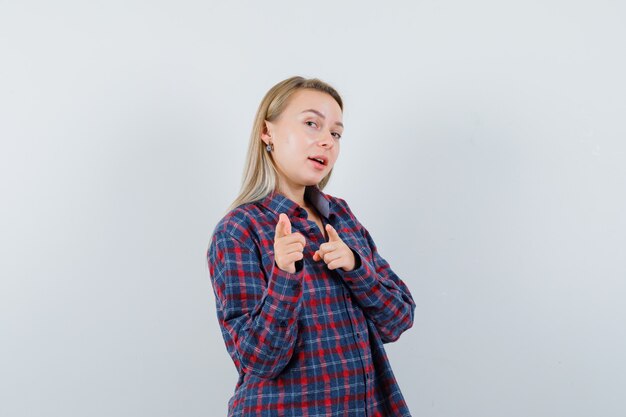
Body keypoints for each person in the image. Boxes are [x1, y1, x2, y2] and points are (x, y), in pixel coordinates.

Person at [206, 76, 416, 416]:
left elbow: (399, 318)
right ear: (267, 132)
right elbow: (259, 361)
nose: (327, 142)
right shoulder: (239, 230)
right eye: (311, 124)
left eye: (335, 133)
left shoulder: (341, 216)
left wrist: (355, 267)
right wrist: (284, 277)